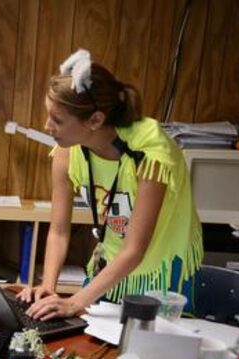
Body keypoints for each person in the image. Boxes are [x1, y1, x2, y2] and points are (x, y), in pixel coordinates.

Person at [18, 49, 203, 320]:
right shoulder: (66, 150)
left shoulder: (150, 152)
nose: (47, 126)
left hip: (161, 268)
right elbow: (58, 231)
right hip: (111, 264)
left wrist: (74, 302)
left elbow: (135, 249)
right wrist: (48, 287)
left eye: (57, 120)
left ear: (95, 120)